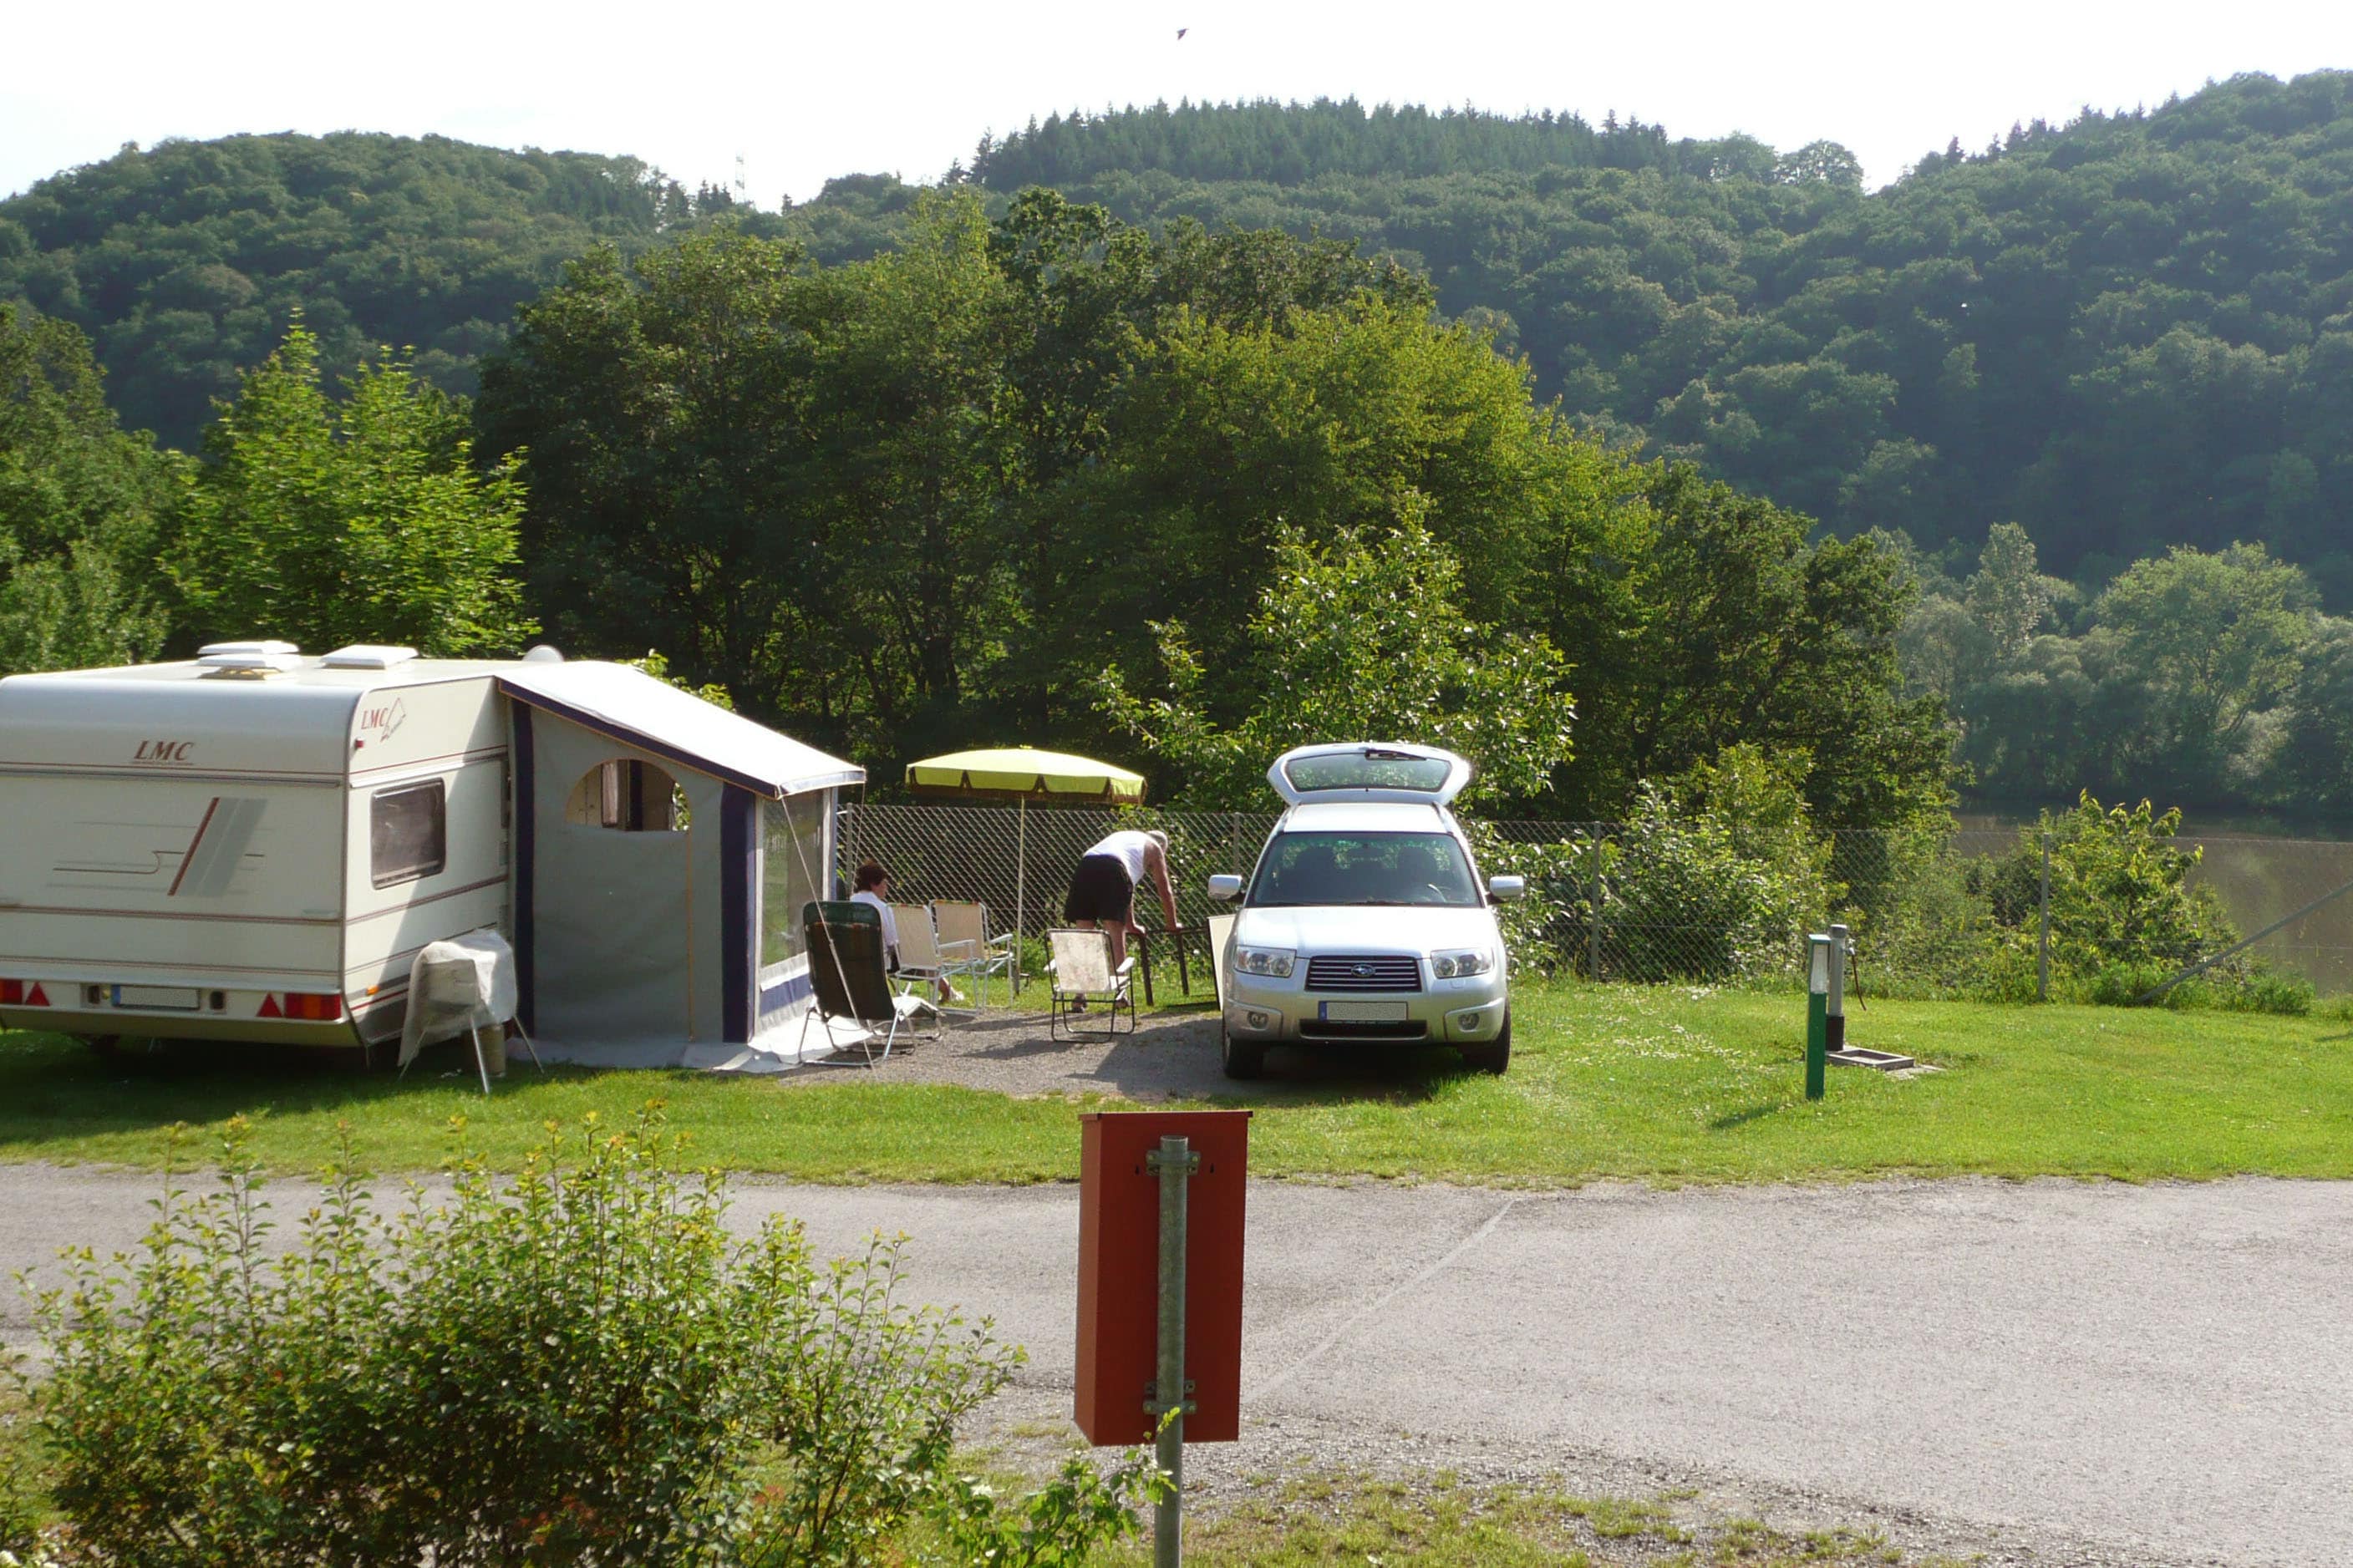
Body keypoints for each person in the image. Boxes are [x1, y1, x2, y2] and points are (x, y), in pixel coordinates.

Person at [1062, 827, 1179, 968]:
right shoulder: (1155, 848)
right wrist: (1172, 923)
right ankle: (1119, 986)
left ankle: (1081, 988)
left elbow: (1127, 890)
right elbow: (1164, 889)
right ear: (1162, 847)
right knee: (1115, 931)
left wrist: (1132, 925)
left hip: (1086, 865)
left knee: (1085, 932)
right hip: (1114, 868)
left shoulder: (1126, 837)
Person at [851, 860, 957, 1002]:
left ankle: (949, 992)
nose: (886, 888)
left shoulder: (849, 903)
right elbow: (892, 942)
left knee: (916, 954)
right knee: (920, 955)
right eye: (884, 883)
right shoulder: (881, 908)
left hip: (853, 957)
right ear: (874, 884)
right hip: (882, 961)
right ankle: (948, 992)